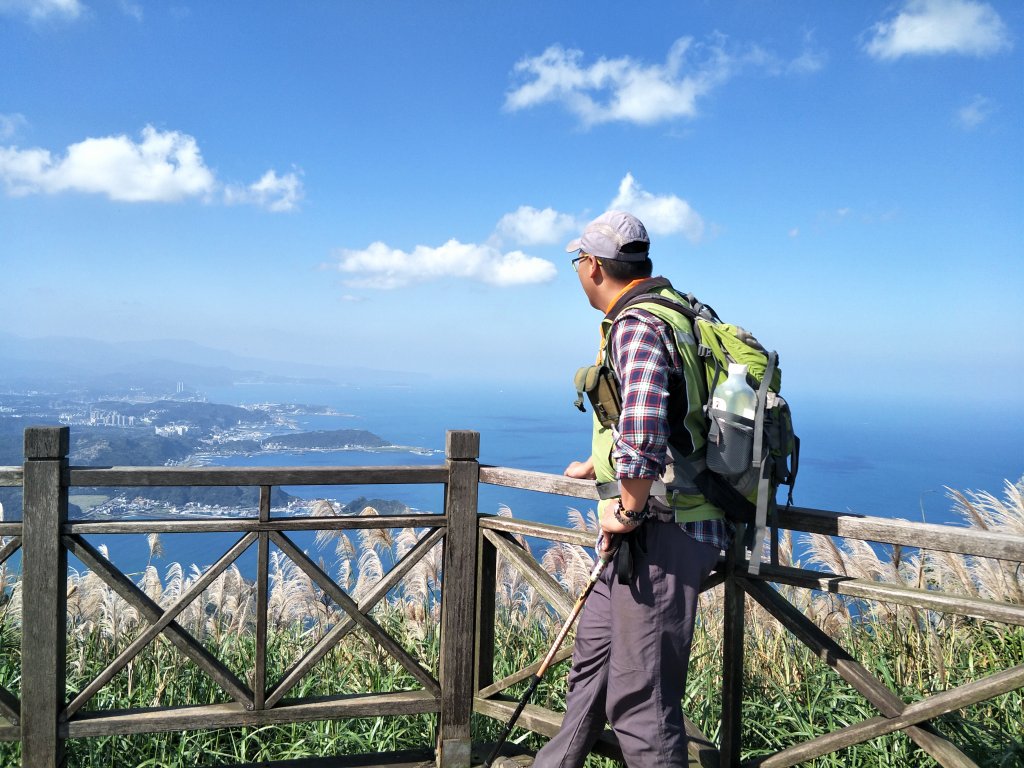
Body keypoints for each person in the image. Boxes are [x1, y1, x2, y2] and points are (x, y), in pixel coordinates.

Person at [531, 211, 732, 768]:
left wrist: (626, 505)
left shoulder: (637, 324)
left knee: (642, 701)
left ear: (593, 265)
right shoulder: (679, 311)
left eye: (578, 262)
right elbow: (648, 422)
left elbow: (643, 426)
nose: (578, 271)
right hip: (657, 524)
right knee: (592, 666)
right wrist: (598, 465)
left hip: (661, 529)